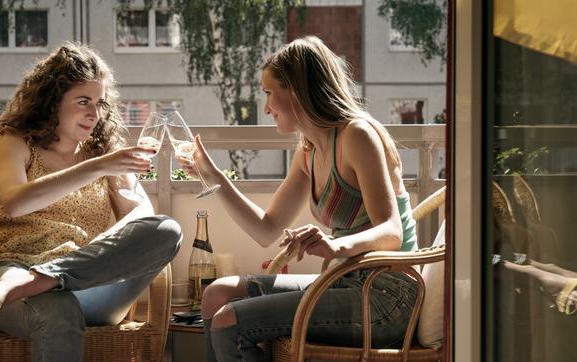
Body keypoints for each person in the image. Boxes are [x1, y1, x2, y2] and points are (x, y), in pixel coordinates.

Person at [176, 36, 419, 361]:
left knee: (227, 322)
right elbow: (266, 229)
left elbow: (392, 232)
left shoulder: (357, 136)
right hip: (342, 282)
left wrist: (335, 246)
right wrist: (214, 177)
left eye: (268, 93)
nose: (266, 107)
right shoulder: (308, 151)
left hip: (386, 296)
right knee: (215, 294)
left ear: (297, 90)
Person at [0, 42, 182, 361]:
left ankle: (29, 285)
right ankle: (26, 286)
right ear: (52, 102)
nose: (94, 114)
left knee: (166, 229)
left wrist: (101, 249)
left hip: (86, 283)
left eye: (99, 103)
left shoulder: (102, 151)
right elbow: (14, 203)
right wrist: (98, 167)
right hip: (10, 266)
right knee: (57, 307)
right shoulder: (16, 140)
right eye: (83, 102)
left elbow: (142, 218)